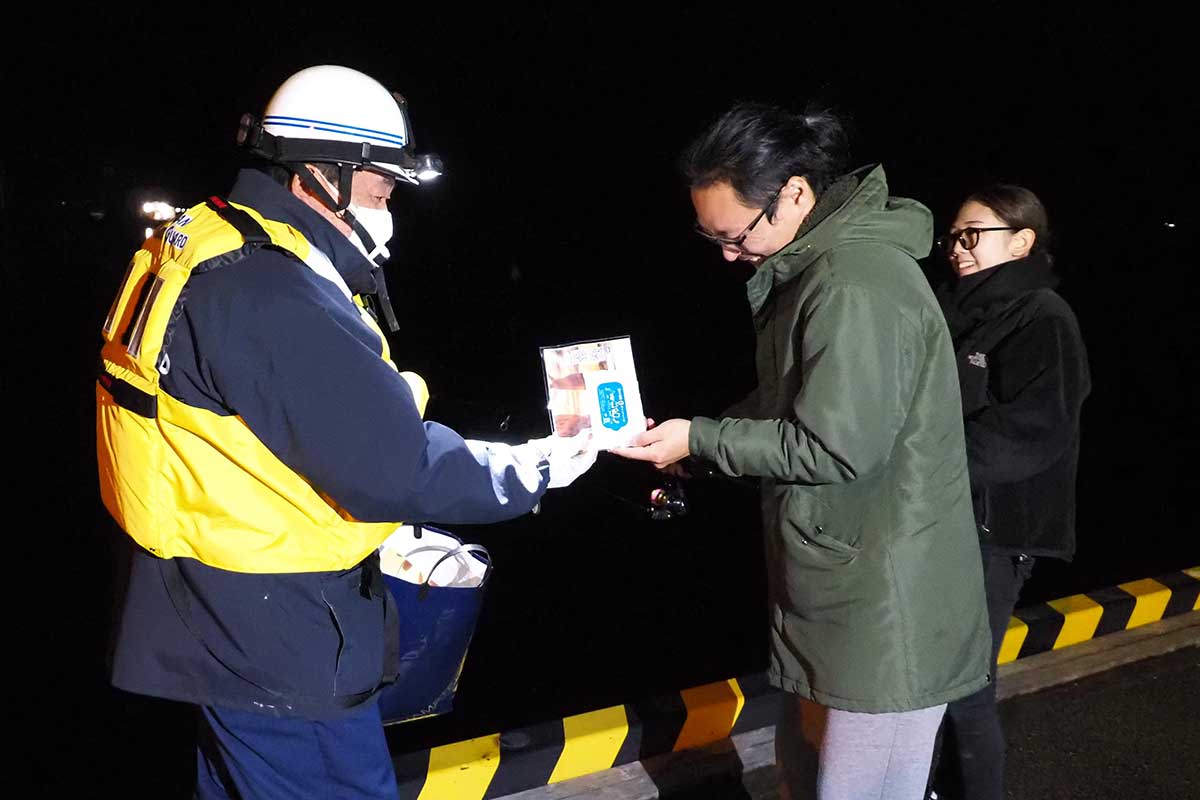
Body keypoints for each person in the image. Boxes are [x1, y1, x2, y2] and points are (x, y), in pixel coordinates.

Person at [96, 65, 596, 799]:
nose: (389, 207)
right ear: (317, 175)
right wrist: (542, 466)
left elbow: (259, 431)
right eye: (380, 187)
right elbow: (394, 466)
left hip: (215, 609)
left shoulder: (207, 238)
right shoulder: (268, 289)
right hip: (277, 635)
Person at [613, 101, 992, 799]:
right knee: (814, 779)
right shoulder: (817, 269)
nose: (728, 254)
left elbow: (834, 446)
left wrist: (700, 436)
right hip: (847, 590)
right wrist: (694, 447)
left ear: (794, 192)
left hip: (885, 607)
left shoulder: (853, 283)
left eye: (735, 234)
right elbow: (792, 399)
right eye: (711, 238)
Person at [928, 185, 1090, 800]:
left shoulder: (1042, 318)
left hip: (992, 532)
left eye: (973, 235)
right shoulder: (957, 310)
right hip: (943, 521)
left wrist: (918, 472)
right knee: (938, 682)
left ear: (1022, 240)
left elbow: (1033, 432)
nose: (958, 249)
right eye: (954, 237)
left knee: (966, 687)